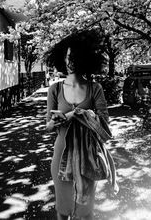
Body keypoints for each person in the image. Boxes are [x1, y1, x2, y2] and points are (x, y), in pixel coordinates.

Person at [44, 29, 118, 220]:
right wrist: (56, 121)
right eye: (67, 57)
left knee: (85, 213)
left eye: (75, 57)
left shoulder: (95, 89)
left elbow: (105, 126)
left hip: (88, 157)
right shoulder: (55, 89)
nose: (70, 62)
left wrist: (80, 114)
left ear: (84, 59)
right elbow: (48, 127)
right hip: (61, 156)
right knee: (62, 210)